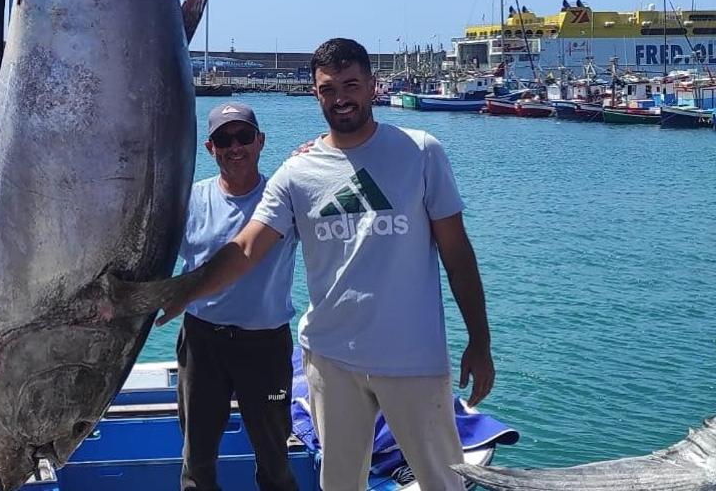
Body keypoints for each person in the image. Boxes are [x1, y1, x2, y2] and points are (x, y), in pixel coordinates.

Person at [160, 39, 494, 491]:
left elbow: (457, 253)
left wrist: (479, 340)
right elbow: (245, 249)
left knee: (443, 482)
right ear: (315, 93)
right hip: (331, 361)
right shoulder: (297, 173)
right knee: (337, 484)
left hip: (413, 359)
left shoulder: (421, 151)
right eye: (328, 89)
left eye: (351, 84)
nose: (341, 98)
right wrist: (182, 292)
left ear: (373, 86)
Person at [177, 103, 299, 491]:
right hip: (201, 343)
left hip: (265, 348)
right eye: (224, 139)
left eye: (244, 137)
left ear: (260, 142)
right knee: (197, 463)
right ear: (210, 148)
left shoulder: (285, 198)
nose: (236, 147)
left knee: (275, 458)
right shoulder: (188, 201)